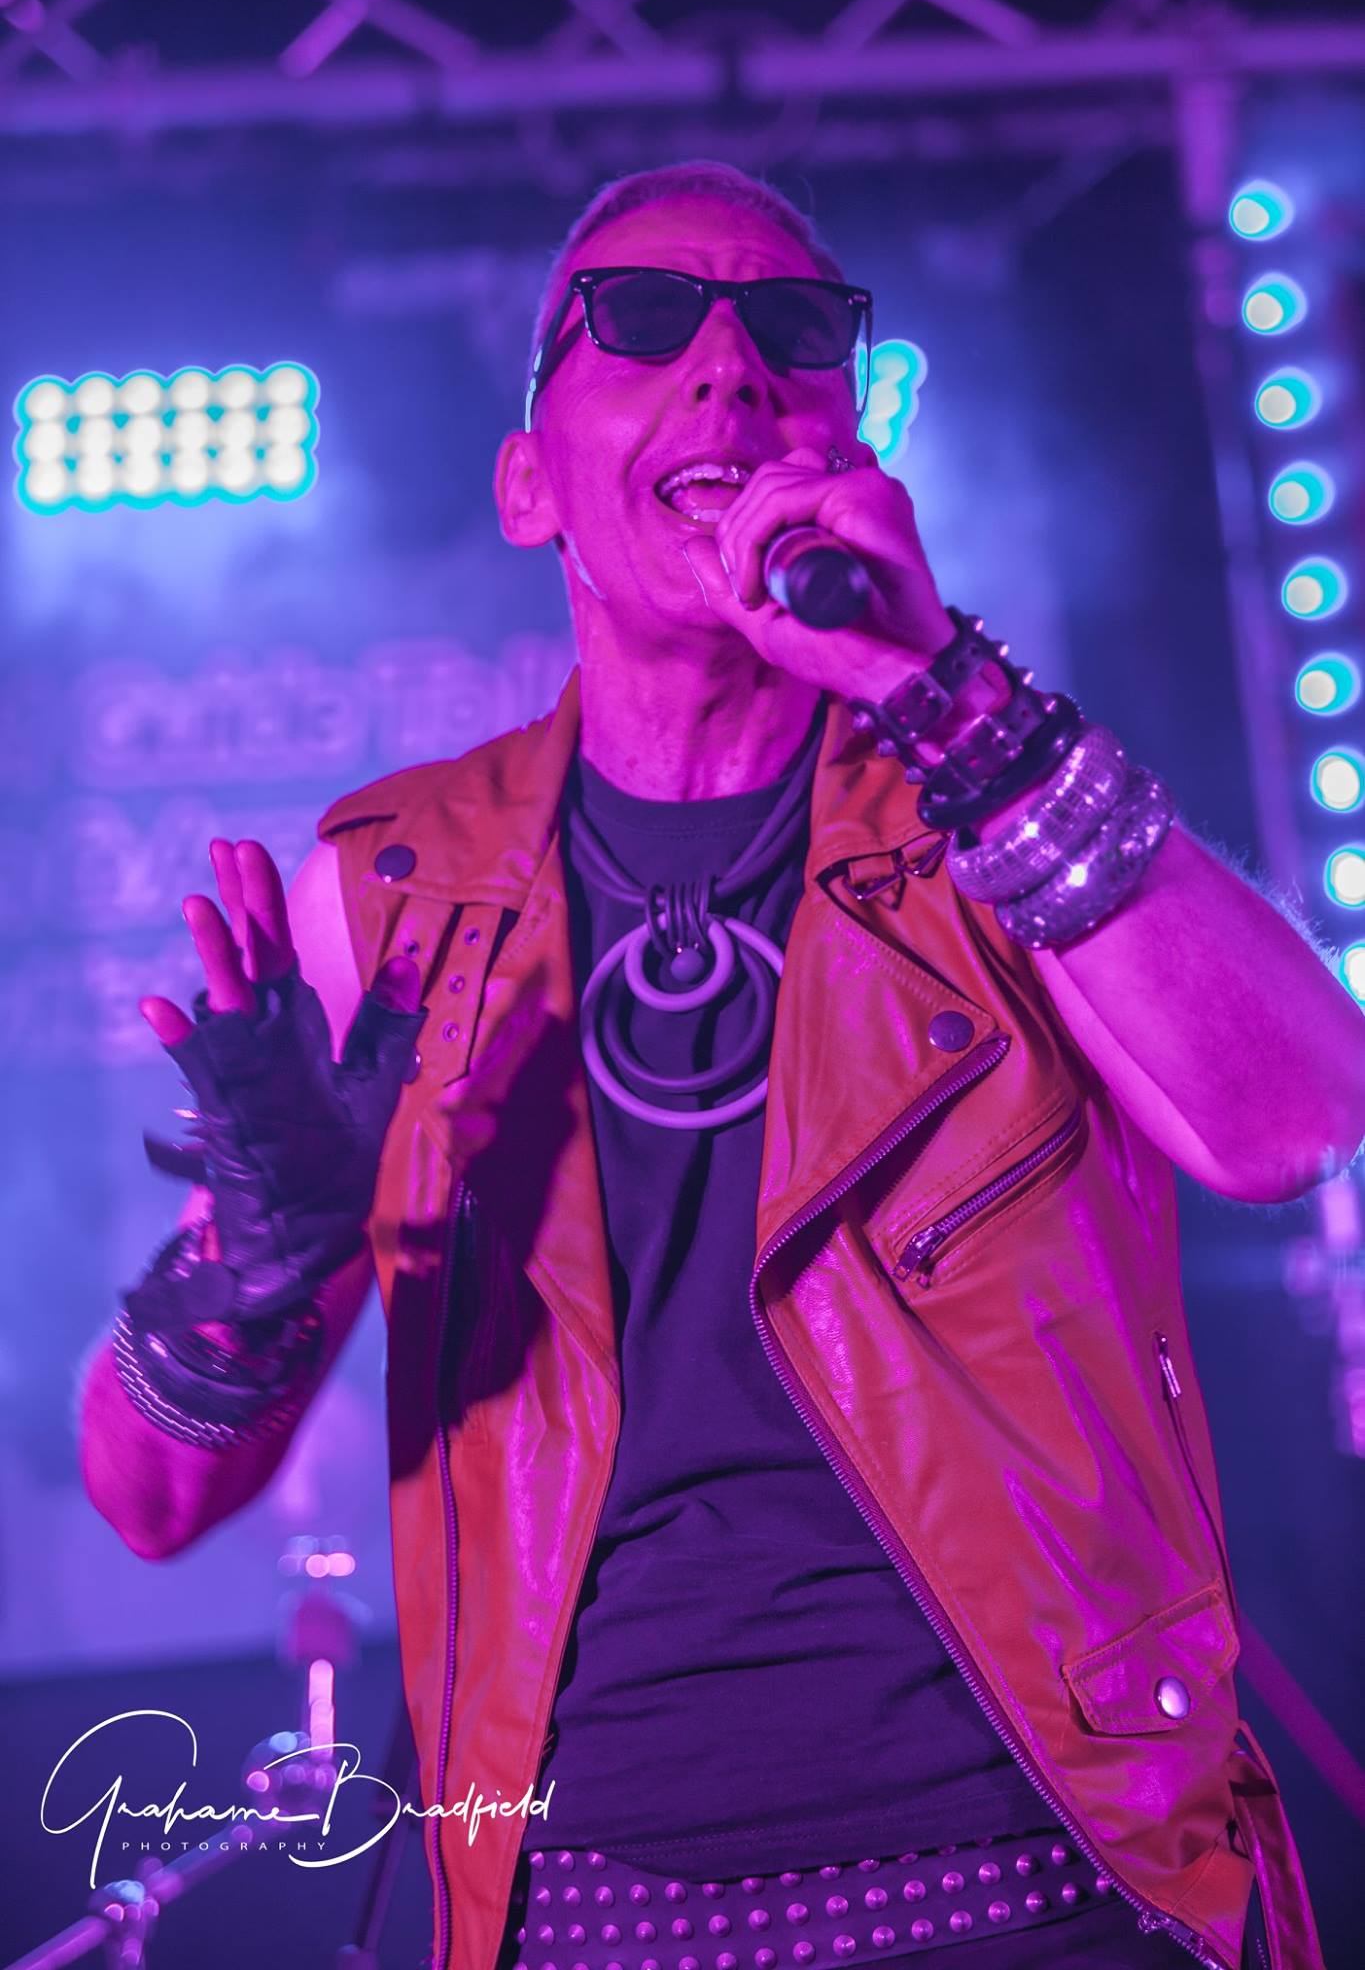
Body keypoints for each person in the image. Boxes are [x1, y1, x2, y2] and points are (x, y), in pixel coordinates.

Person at [79, 161, 1362, 1970]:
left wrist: (945, 691)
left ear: (854, 432)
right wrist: (259, 1250)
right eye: (642, 319)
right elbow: (149, 1500)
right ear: (528, 484)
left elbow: (1294, 1121)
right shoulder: (392, 894)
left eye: (790, 328)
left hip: (1042, 1895)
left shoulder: (997, 807)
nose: (728, 366)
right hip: (582, 1914)